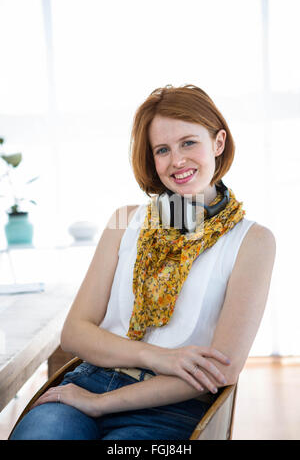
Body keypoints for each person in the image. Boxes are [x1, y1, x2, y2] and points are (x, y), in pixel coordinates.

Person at [9, 84, 276, 440]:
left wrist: (101, 404)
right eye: (162, 150)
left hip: (170, 407)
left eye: (188, 142)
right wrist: (158, 357)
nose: (177, 160)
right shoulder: (125, 222)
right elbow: (75, 332)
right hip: (89, 381)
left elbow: (219, 371)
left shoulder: (253, 241)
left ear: (218, 143)